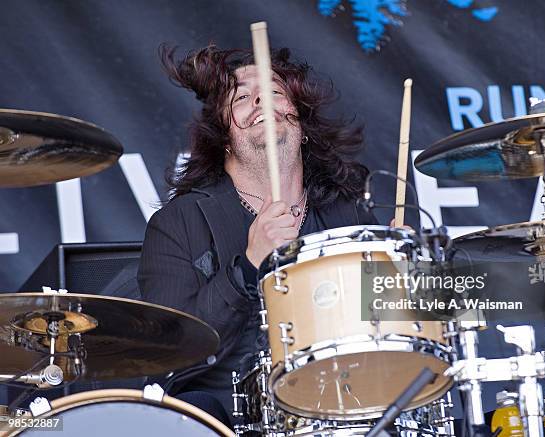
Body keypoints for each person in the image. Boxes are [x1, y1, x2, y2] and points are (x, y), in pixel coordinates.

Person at [137, 44, 378, 426]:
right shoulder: (179, 222)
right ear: (225, 136)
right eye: (242, 98)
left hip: (341, 408)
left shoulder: (348, 213)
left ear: (301, 127)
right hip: (226, 418)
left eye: (275, 92)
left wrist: (402, 279)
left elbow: (387, 336)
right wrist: (248, 265)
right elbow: (171, 350)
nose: (261, 103)